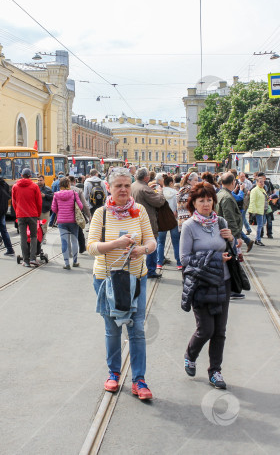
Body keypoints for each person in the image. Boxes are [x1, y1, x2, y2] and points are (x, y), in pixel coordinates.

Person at [87, 167, 157, 400]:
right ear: (109, 187)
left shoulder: (140, 211)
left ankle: (139, 379)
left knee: (136, 329)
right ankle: (114, 373)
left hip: (136, 278)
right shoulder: (101, 214)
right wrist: (117, 244)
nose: (124, 190)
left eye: (127, 185)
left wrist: (142, 249)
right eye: (119, 186)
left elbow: (152, 242)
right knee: (112, 328)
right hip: (107, 279)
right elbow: (92, 247)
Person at [180, 182, 236, 389]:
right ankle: (190, 354)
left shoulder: (220, 221)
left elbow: (233, 254)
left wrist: (231, 240)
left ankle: (216, 371)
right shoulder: (189, 226)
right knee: (206, 329)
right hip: (201, 283)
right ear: (193, 203)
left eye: (209, 200)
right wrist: (214, 258)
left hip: (224, 281)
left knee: (220, 330)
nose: (206, 204)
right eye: (201, 200)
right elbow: (184, 259)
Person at [131, 167, 168, 279]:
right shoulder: (144, 189)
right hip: (147, 221)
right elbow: (159, 202)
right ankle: (151, 270)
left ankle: (139, 268)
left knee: (137, 244)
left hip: (134, 220)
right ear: (146, 177)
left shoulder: (133, 186)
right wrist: (161, 193)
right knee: (151, 245)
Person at [12, 168, 42, 267]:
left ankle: (25, 260)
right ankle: (33, 258)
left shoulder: (15, 186)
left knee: (23, 237)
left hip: (20, 215)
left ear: (21, 175)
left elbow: (13, 201)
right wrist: (38, 213)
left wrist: (17, 212)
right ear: (30, 176)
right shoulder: (34, 186)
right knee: (33, 236)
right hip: (32, 214)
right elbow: (39, 201)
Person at [51, 177, 84, 269]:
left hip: (62, 221)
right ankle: (75, 261)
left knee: (64, 242)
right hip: (73, 221)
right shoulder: (74, 193)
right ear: (69, 185)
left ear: (60, 185)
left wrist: (60, 210)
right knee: (74, 241)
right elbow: (80, 206)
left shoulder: (56, 195)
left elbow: (53, 209)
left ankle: (66, 263)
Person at [157, 174, 181, 269]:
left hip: (162, 220)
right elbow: (178, 206)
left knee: (161, 242)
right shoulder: (176, 193)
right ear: (171, 183)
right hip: (173, 219)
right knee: (176, 242)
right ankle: (179, 263)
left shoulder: (160, 192)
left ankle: (159, 262)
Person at [247, 176, 268, 246]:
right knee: (260, 226)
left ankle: (258, 239)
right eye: (260, 182)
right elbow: (252, 201)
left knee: (261, 225)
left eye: (263, 182)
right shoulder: (255, 190)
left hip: (262, 209)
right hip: (258, 210)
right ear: (256, 182)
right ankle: (258, 239)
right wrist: (254, 211)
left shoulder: (262, 189)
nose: (262, 183)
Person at [73, 184, 91, 255]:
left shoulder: (59, 191)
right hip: (76, 215)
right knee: (79, 232)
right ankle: (82, 248)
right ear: (74, 181)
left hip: (63, 218)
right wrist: (88, 215)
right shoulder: (77, 190)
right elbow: (83, 205)